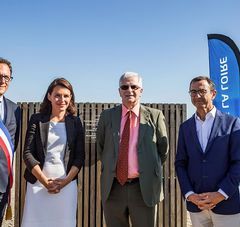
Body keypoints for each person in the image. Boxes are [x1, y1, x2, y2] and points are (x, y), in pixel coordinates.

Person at [96, 72, 168, 227]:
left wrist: (146, 167)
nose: (129, 90)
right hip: (114, 187)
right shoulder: (107, 116)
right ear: (119, 91)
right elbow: (101, 147)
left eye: (133, 86)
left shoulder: (155, 116)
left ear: (141, 90)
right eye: (124, 86)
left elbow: (163, 151)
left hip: (143, 188)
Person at [175, 76, 240, 227]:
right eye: (193, 92)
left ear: (213, 94)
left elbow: (238, 162)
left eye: (202, 91)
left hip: (226, 205)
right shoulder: (185, 127)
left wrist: (220, 194)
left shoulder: (232, 123)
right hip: (196, 206)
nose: (197, 95)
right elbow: (180, 163)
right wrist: (190, 195)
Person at [21, 78, 85, 227]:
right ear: (49, 96)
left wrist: (64, 182)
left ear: (71, 98)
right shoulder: (37, 120)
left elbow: (79, 157)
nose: (62, 99)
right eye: (57, 95)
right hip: (38, 184)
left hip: (66, 186)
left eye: (66, 96)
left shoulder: (76, 122)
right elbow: (27, 153)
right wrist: (44, 181)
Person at [0, 57, 20, 226]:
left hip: (1, 185)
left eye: (6, 77)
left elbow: (15, 143)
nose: (2, 80)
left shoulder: (15, 110)